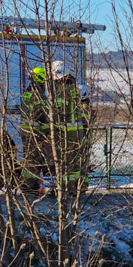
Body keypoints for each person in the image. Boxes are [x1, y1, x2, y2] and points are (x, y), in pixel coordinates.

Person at [51, 61, 84, 193]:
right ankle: (74, 188)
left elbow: (58, 114)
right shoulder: (73, 89)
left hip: (66, 133)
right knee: (74, 163)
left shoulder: (61, 92)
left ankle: (65, 190)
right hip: (77, 132)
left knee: (65, 163)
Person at [20, 66, 49, 192]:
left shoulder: (28, 91)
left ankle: (30, 183)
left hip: (26, 130)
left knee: (29, 158)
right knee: (33, 160)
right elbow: (41, 116)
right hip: (35, 131)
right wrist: (49, 130)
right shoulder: (38, 94)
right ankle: (29, 185)